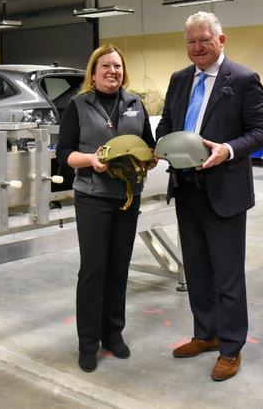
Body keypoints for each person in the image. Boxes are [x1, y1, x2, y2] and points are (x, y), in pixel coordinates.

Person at [156, 12, 263, 381]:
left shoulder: (242, 79)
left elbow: (261, 131)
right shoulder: (178, 80)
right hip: (186, 187)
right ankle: (205, 334)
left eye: (204, 40)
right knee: (198, 270)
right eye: (191, 41)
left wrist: (228, 149)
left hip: (224, 189)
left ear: (222, 40)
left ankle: (231, 347)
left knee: (228, 274)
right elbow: (167, 125)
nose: (197, 47)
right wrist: (160, 147)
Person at [57, 44, 156, 373]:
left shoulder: (135, 104)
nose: (112, 71)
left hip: (128, 196)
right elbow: (65, 153)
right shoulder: (78, 105)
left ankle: (113, 333)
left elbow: (147, 146)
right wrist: (91, 161)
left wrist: (151, 158)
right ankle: (88, 343)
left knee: (119, 267)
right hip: (92, 196)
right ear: (93, 73)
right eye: (105, 67)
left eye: (117, 66)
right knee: (94, 270)